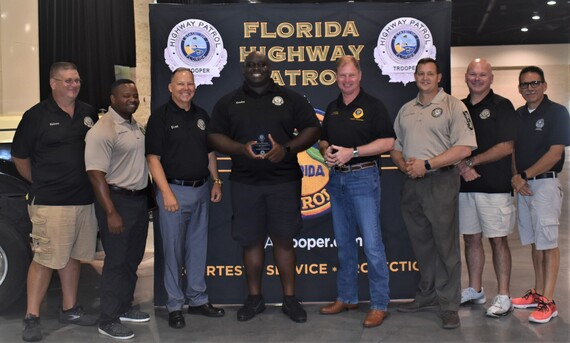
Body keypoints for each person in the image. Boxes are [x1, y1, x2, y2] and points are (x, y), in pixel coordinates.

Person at [207, 51, 321, 323]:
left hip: (284, 181)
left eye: (261, 64)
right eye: (251, 65)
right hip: (246, 183)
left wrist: (287, 149)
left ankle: (290, 300)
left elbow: (313, 129)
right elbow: (213, 135)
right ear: (243, 69)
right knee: (251, 242)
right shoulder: (229, 102)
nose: (256, 68)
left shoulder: (290, 98)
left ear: (270, 68)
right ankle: (254, 299)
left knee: (284, 240)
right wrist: (239, 149)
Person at [11, 62, 99, 342]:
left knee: (73, 257)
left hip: (84, 201)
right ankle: (32, 316)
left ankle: (70, 308)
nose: (74, 85)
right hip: (50, 202)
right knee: (45, 259)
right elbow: (20, 157)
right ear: (53, 83)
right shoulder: (35, 116)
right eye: (67, 80)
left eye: (77, 80)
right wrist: (39, 181)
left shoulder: (87, 113)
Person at [390, 58, 477, 329]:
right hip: (411, 184)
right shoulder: (406, 109)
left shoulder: (453, 106)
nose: (425, 77)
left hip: (440, 182)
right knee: (422, 244)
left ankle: (449, 304)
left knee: (445, 246)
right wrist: (403, 164)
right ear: (414, 76)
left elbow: (464, 149)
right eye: (420, 73)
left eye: (430, 73)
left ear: (439, 77)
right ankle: (426, 295)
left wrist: (427, 164)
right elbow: (396, 145)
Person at [318, 56, 395, 328]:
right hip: (337, 181)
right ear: (336, 77)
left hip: (364, 177)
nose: (347, 80)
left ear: (360, 75)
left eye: (351, 75)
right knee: (345, 245)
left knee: (372, 246)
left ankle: (379, 304)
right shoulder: (333, 107)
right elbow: (323, 136)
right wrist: (326, 148)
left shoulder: (373, 106)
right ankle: (347, 297)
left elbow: (388, 141)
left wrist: (354, 152)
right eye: (342, 76)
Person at [145, 67, 224, 329]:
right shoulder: (160, 118)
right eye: (180, 84)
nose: (186, 88)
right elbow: (153, 159)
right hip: (173, 193)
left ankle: (198, 299)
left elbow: (210, 153)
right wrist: (165, 192)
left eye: (190, 83)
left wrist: (216, 181)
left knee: (197, 249)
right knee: (173, 252)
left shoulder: (202, 115)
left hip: (201, 189)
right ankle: (175, 305)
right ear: (170, 87)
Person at [85, 79, 151, 339]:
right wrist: (111, 211)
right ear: (113, 99)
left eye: (134, 95)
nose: (131, 99)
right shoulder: (104, 129)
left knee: (132, 258)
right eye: (125, 96)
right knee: (115, 261)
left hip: (137, 200)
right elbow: (95, 174)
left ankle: (124, 306)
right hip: (116, 201)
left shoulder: (136, 126)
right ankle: (108, 318)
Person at [457, 59, 517, 318]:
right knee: (470, 239)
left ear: (491, 78)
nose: (477, 79)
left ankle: (503, 295)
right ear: (466, 77)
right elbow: (450, 143)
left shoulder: (503, 106)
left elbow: (507, 146)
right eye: (473, 74)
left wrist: (472, 161)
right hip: (465, 185)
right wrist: (462, 165)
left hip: (495, 187)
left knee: (497, 240)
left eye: (483, 75)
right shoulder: (458, 107)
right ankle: (475, 289)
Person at [510, 66, 569, 324]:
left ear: (544, 85)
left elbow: (555, 153)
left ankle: (549, 301)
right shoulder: (519, 114)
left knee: (549, 244)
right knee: (535, 242)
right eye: (525, 84)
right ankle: (537, 293)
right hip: (524, 187)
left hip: (545, 186)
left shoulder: (557, 112)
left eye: (535, 83)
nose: (530, 88)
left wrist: (523, 175)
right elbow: (512, 149)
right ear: (520, 88)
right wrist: (516, 177)